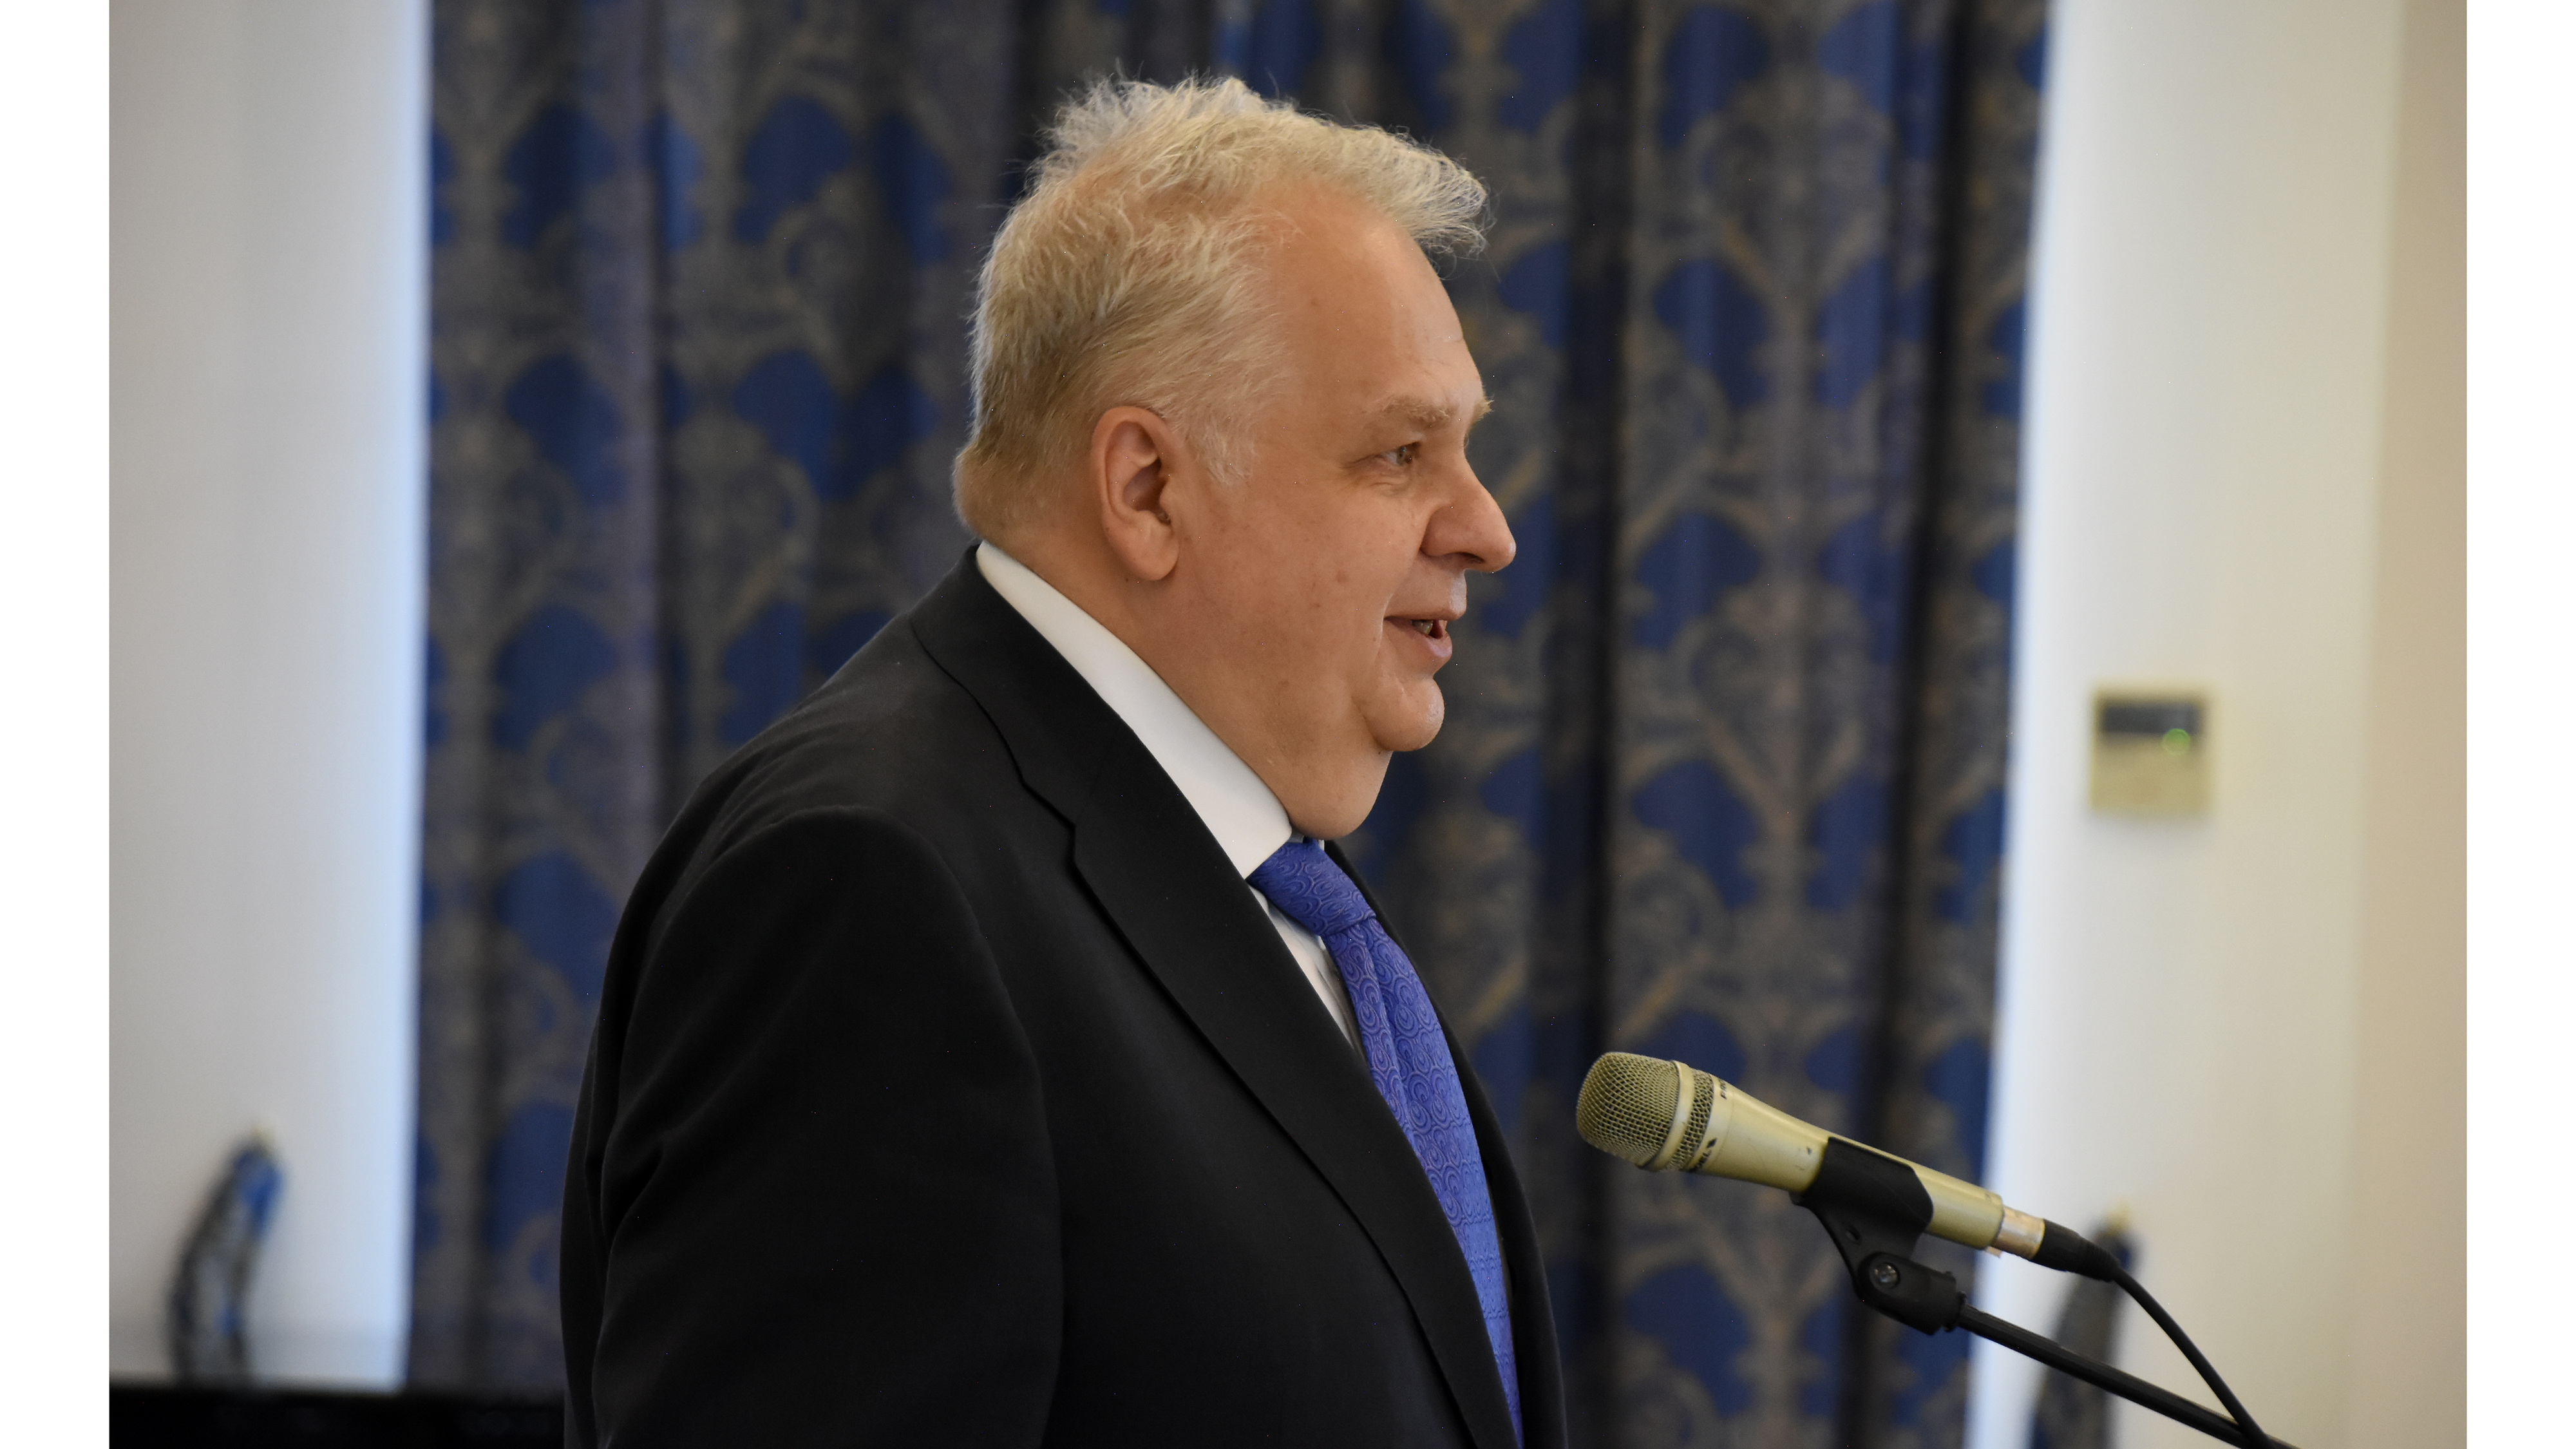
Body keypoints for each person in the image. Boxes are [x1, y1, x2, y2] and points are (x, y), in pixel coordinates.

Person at [558, 76, 1561, 1448]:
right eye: (1399, 453)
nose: (1487, 528)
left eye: (1466, 450)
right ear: (1147, 488)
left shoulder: (1271, 880)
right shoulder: (868, 885)